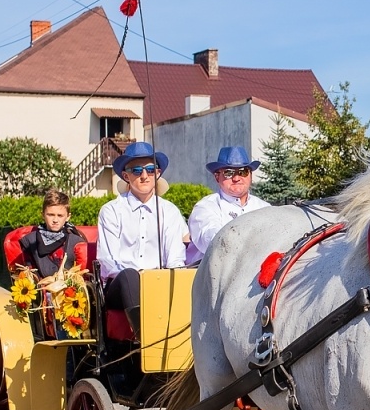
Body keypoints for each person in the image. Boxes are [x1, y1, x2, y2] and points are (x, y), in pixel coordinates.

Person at [95, 142, 186, 336]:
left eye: (150, 170)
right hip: (121, 285)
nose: (144, 176)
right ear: (126, 176)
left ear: (158, 173)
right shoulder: (112, 210)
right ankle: (146, 337)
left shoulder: (169, 211)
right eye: (137, 170)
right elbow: (108, 262)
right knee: (129, 276)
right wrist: (141, 278)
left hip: (159, 284)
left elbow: (175, 260)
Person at [187, 145, 270, 265]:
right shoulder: (205, 208)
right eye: (228, 173)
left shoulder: (265, 208)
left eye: (243, 172)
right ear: (217, 177)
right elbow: (214, 242)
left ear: (250, 176)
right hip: (212, 278)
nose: (236, 178)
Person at [17, 189, 84, 287]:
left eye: (60, 215)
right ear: (43, 215)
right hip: (40, 293)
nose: (55, 220)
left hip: (71, 295)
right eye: (50, 215)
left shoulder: (77, 241)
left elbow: (82, 276)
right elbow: (28, 274)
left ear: (68, 217)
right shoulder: (30, 242)